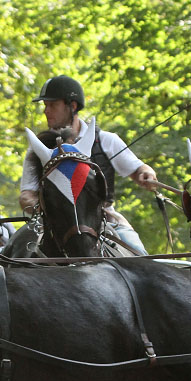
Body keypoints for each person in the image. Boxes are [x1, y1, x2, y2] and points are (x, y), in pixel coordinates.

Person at [20, 75, 157, 255]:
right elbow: (26, 196)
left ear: (72, 105)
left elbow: (140, 168)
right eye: (45, 106)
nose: (46, 111)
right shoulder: (39, 149)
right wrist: (52, 209)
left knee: (142, 259)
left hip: (106, 220)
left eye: (52, 105)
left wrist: (146, 174)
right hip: (54, 227)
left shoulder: (106, 140)